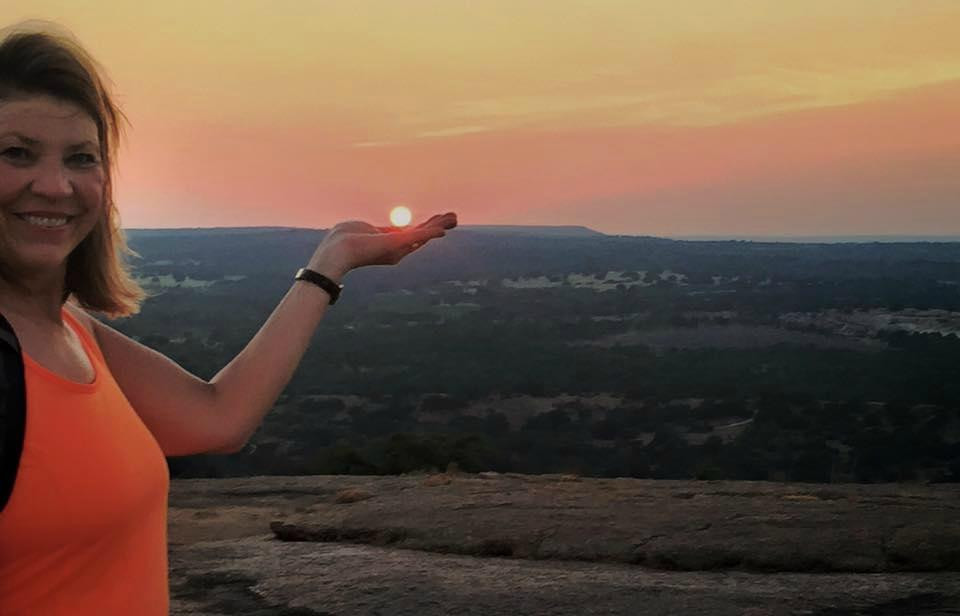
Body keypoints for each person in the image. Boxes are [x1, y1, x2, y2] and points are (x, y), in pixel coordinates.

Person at [0, 22, 456, 615]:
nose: (56, 185)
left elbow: (217, 418)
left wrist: (330, 262)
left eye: (81, 158)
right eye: (16, 153)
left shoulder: (72, 332)